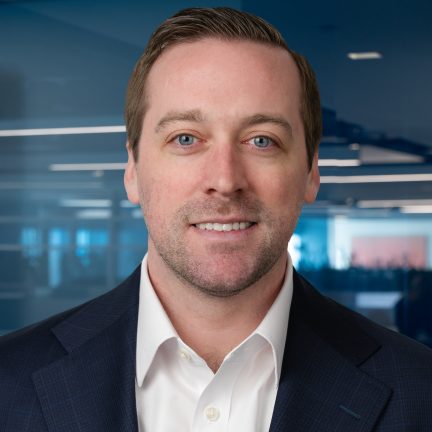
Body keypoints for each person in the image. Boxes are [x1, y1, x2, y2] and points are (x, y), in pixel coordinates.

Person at [1, 7, 431, 432]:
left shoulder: (420, 391)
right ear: (132, 170)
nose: (225, 181)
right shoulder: (9, 382)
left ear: (311, 172)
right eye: (186, 138)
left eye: (261, 141)